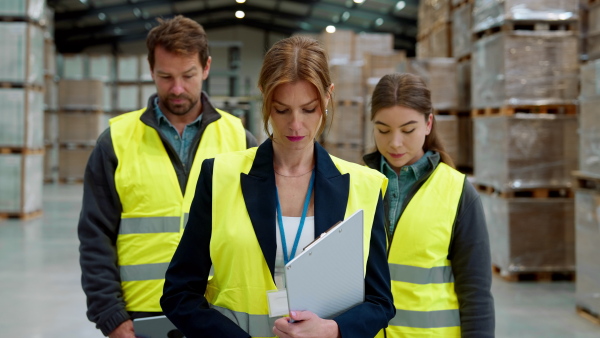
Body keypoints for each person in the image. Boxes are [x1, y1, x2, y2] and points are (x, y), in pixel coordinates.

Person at [160, 35, 395, 338]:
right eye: (282, 110)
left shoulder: (364, 186)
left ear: (328, 97)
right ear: (264, 97)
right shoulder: (219, 176)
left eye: (309, 109)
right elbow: (179, 293)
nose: (295, 125)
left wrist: (333, 330)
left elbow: (380, 301)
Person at [78, 15, 257, 337]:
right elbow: (95, 236)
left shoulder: (239, 139)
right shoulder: (116, 141)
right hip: (140, 316)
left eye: (188, 75)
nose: (177, 89)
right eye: (165, 76)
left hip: (216, 311)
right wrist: (110, 316)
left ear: (206, 68)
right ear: (151, 71)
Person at [363, 73, 495, 337]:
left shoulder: (457, 192)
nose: (395, 142)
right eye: (383, 130)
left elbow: (476, 293)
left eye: (408, 130)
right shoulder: (356, 185)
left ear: (428, 123)